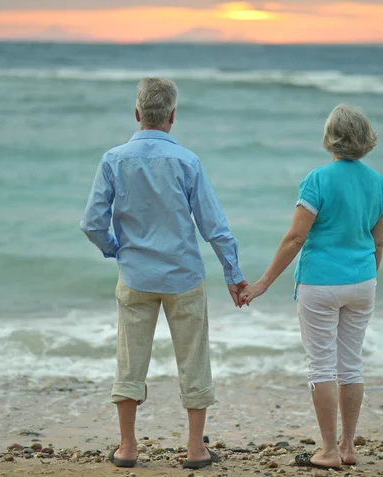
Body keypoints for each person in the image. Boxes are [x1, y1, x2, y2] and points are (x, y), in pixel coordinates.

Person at [80, 78, 247, 470]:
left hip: (136, 276)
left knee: (129, 360)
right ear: (172, 116)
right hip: (184, 276)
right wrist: (233, 274)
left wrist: (115, 249)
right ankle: (194, 449)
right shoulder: (187, 161)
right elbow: (214, 226)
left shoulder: (113, 159)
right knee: (193, 360)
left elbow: (91, 222)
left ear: (137, 114)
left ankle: (127, 448)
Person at [239, 104, 383, 471]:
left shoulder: (317, 180)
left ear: (330, 138)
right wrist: (367, 277)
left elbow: (294, 238)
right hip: (363, 281)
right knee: (351, 365)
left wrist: (261, 284)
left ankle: (328, 451)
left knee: (321, 366)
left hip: (321, 283)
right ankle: (348, 447)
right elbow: (378, 242)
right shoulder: (377, 182)